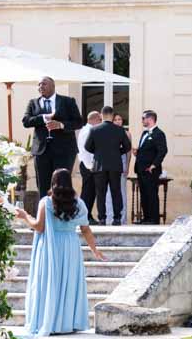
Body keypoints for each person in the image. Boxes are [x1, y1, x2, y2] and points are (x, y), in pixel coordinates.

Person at [16, 168, 105, 337]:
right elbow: (86, 229)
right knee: (68, 283)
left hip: (51, 245)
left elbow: (39, 227)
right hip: (71, 245)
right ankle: (66, 323)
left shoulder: (46, 202)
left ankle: (49, 320)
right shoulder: (79, 204)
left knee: (50, 282)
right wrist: (95, 249)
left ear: (53, 183)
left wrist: (25, 216)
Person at [22, 77, 84, 201]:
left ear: (53, 86)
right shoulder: (33, 103)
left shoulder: (68, 101)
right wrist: (44, 117)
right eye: (39, 84)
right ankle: (45, 212)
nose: (40, 86)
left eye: (44, 84)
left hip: (64, 151)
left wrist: (61, 125)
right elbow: (26, 121)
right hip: (41, 151)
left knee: (62, 186)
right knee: (43, 186)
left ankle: (62, 211)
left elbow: (78, 122)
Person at [84, 107, 131, 225]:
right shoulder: (120, 130)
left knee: (101, 193)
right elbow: (127, 147)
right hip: (115, 165)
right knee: (116, 192)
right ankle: (117, 218)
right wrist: (117, 152)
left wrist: (98, 152)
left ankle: (102, 218)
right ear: (112, 115)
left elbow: (87, 146)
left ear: (101, 115)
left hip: (99, 165)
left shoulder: (94, 129)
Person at [134, 110, 168, 224]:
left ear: (150, 119)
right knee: (144, 194)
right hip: (141, 169)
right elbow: (147, 151)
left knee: (152, 194)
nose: (142, 121)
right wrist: (137, 153)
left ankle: (154, 219)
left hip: (150, 170)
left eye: (143, 118)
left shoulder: (159, 133)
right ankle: (146, 218)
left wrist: (153, 165)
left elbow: (162, 151)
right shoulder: (144, 133)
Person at [76, 110, 102, 221]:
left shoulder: (87, 130)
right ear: (94, 119)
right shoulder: (88, 131)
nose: (101, 122)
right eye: (100, 119)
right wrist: (90, 166)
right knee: (88, 191)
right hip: (88, 165)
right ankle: (84, 216)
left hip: (89, 165)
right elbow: (85, 151)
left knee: (91, 191)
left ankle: (87, 215)